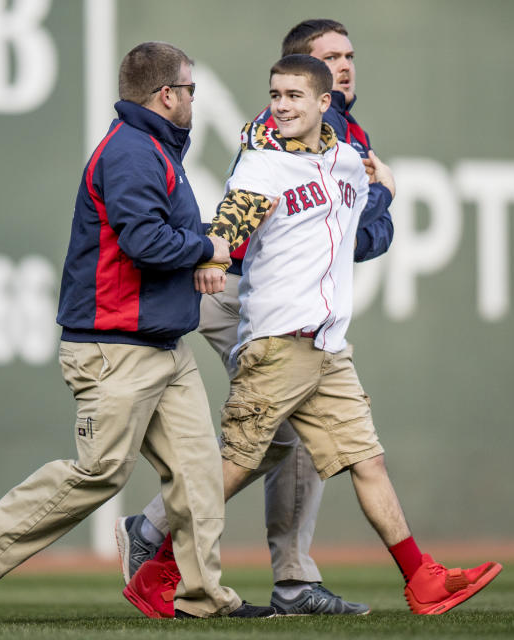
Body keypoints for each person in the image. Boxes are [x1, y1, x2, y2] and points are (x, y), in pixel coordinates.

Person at [123, 54, 502, 617]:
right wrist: (212, 254)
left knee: (368, 461)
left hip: (327, 348)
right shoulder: (261, 164)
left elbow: (361, 228)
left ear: (325, 104)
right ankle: (160, 569)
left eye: (294, 96)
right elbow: (231, 223)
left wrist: (387, 192)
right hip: (276, 343)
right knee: (234, 467)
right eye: (276, 95)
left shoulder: (348, 161)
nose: (282, 105)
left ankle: (420, 577)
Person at [0, 41, 276, 623]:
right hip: (114, 346)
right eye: (191, 90)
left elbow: (167, 235)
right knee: (99, 472)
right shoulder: (131, 152)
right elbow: (143, 241)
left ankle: (202, 597)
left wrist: (222, 248)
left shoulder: (154, 149)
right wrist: (207, 247)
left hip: (162, 346)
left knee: (198, 475)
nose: (195, 99)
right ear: (166, 95)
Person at [115, 18, 396, 617]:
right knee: (278, 424)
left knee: (288, 431)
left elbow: (362, 239)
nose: (344, 65)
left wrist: (374, 202)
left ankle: (271, 573)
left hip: (276, 294)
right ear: (303, 72)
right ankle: (163, 537)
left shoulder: (346, 137)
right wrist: (383, 194)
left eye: (349, 55)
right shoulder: (284, 131)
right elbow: (359, 236)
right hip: (241, 288)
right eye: (329, 57)